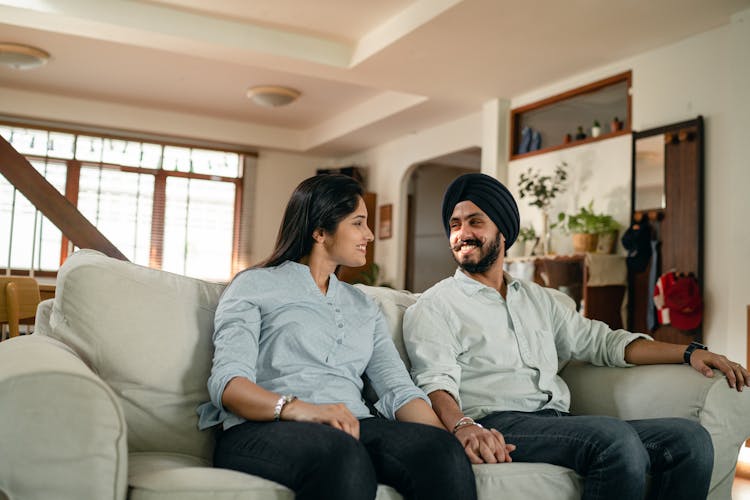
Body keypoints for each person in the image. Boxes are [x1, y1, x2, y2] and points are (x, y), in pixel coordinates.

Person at [402, 172, 750, 500]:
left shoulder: (538, 298)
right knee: (613, 441)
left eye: (475, 221)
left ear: (503, 232)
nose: (462, 233)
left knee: (690, 439)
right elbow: (435, 383)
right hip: (496, 420)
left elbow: (604, 343)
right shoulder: (436, 305)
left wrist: (688, 353)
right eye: (454, 224)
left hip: (557, 421)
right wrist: (463, 425)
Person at [197, 174, 476, 500]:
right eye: (358, 223)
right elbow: (229, 384)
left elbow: (399, 391)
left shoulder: (363, 305)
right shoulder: (254, 285)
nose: (369, 235)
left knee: (440, 452)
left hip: (353, 425)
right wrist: (300, 409)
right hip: (262, 428)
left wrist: (454, 435)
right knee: (342, 454)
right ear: (319, 231)